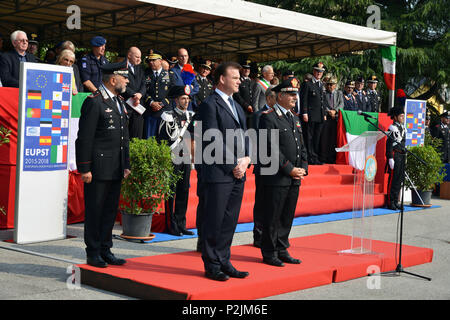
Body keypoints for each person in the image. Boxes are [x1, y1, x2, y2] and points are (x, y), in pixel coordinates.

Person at [75, 60, 131, 268]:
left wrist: (126, 164)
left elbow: (124, 138)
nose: (126, 81)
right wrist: (85, 168)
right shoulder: (94, 101)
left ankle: (106, 249)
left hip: (115, 168)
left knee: (109, 211)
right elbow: (85, 138)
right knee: (95, 211)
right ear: (113, 79)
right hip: (97, 169)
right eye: (124, 77)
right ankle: (93, 252)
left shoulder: (119, 101)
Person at [198, 61, 251, 281]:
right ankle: (211, 264)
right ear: (222, 79)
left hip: (238, 171)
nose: (239, 80)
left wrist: (247, 159)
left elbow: (244, 134)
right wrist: (233, 165)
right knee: (215, 219)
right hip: (219, 172)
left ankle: (224, 259)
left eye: (239, 77)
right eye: (235, 77)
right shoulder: (210, 104)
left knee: (230, 220)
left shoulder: (236, 105)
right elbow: (212, 139)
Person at [258, 77, 308, 267]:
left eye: (295, 93)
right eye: (291, 94)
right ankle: (269, 252)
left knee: (287, 214)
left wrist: (303, 167)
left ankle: (281, 247)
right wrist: (289, 169)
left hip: (294, 176)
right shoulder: (268, 117)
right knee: (273, 215)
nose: (295, 97)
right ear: (280, 96)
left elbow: (301, 145)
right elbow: (269, 148)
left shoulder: (294, 117)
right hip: (277, 176)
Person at [157, 85, 196, 236]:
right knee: (171, 192)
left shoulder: (191, 116)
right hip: (172, 157)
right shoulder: (168, 116)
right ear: (176, 100)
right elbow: (162, 139)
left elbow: (194, 137)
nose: (186, 101)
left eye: (188, 98)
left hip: (185, 158)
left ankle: (181, 224)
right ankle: (170, 224)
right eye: (183, 98)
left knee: (184, 190)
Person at [252, 87, 276, 248]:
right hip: (263, 164)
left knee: (273, 203)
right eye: (276, 97)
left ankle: (271, 235)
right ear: (268, 99)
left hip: (278, 166)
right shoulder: (259, 115)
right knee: (261, 202)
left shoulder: (281, 116)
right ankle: (258, 235)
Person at [300, 62, 326, 165]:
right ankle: (309, 157)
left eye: (321, 72)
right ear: (314, 71)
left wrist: (323, 114)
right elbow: (304, 99)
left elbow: (322, 101)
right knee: (309, 137)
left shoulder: (321, 85)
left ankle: (315, 156)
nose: (319, 73)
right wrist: (304, 112)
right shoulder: (307, 84)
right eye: (317, 71)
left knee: (317, 137)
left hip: (319, 115)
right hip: (310, 115)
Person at [143, 49, 174, 138]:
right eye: (150, 60)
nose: (151, 62)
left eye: (154, 60)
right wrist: (151, 102)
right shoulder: (145, 74)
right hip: (150, 110)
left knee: (164, 138)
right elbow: (143, 90)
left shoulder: (169, 74)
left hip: (165, 110)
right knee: (150, 138)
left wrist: (163, 103)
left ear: (160, 61)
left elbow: (173, 92)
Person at [120, 46, 146, 139]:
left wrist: (140, 95)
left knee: (137, 134)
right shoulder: (121, 66)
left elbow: (144, 83)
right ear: (129, 55)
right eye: (137, 57)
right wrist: (134, 95)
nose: (139, 59)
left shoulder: (140, 68)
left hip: (138, 105)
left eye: (140, 57)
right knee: (125, 134)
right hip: (127, 103)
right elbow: (122, 84)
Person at [385, 106, 406, 210]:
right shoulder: (392, 128)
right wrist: (390, 157)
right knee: (393, 179)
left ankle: (396, 201)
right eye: (401, 116)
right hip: (395, 154)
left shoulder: (403, 128)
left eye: (403, 116)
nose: (403, 117)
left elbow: (403, 141)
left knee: (399, 180)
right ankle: (390, 201)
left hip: (402, 155)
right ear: (395, 117)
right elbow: (388, 144)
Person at [320, 76, 344, 163]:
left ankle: (332, 158)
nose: (330, 86)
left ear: (335, 85)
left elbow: (341, 104)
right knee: (325, 138)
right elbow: (322, 103)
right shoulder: (323, 93)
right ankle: (323, 157)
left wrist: (335, 111)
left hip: (336, 118)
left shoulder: (339, 93)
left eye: (332, 84)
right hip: (326, 117)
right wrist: (329, 111)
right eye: (328, 84)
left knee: (334, 138)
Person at [234, 60, 255, 128]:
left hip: (251, 111)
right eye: (245, 68)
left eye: (248, 68)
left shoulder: (252, 81)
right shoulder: (238, 81)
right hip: (242, 110)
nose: (247, 70)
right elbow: (237, 95)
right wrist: (246, 105)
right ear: (241, 69)